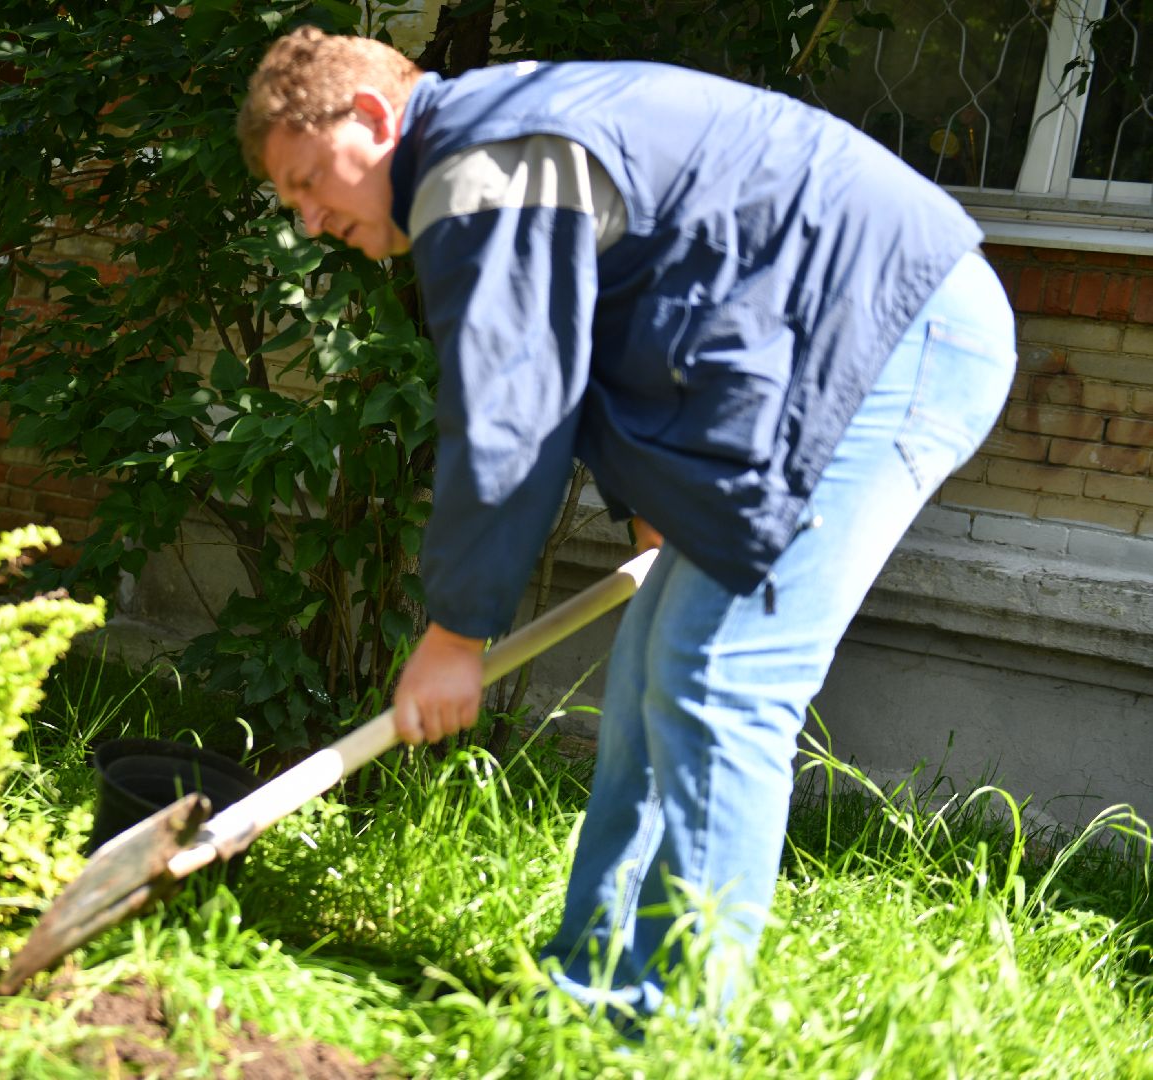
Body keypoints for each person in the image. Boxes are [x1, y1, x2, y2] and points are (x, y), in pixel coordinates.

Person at [237, 27, 1016, 1019]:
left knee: (715, 678)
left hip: (888, 335)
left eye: (308, 180)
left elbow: (513, 406)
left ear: (376, 116)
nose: (306, 220)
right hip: (838, 339)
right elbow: (607, 321)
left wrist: (456, 630)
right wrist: (653, 500)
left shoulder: (481, 166)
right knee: (658, 664)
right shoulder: (492, 144)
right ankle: (595, 981)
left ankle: (672, 1021)